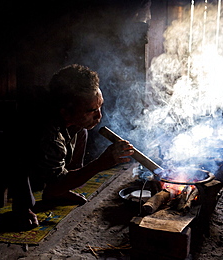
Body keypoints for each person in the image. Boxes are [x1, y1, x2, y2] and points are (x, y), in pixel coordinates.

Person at [11, 64, 134, 229]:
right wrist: (101, 163)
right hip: (9, 156)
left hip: (51, 143)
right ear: (65, 112)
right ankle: (21, 206)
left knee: (82, 130)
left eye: (100, 106)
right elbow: (54, 182)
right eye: (91, 110)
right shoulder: (47, 135)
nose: (99, 115)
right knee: (16, 159)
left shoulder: (72, 119)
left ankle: (60, 191)